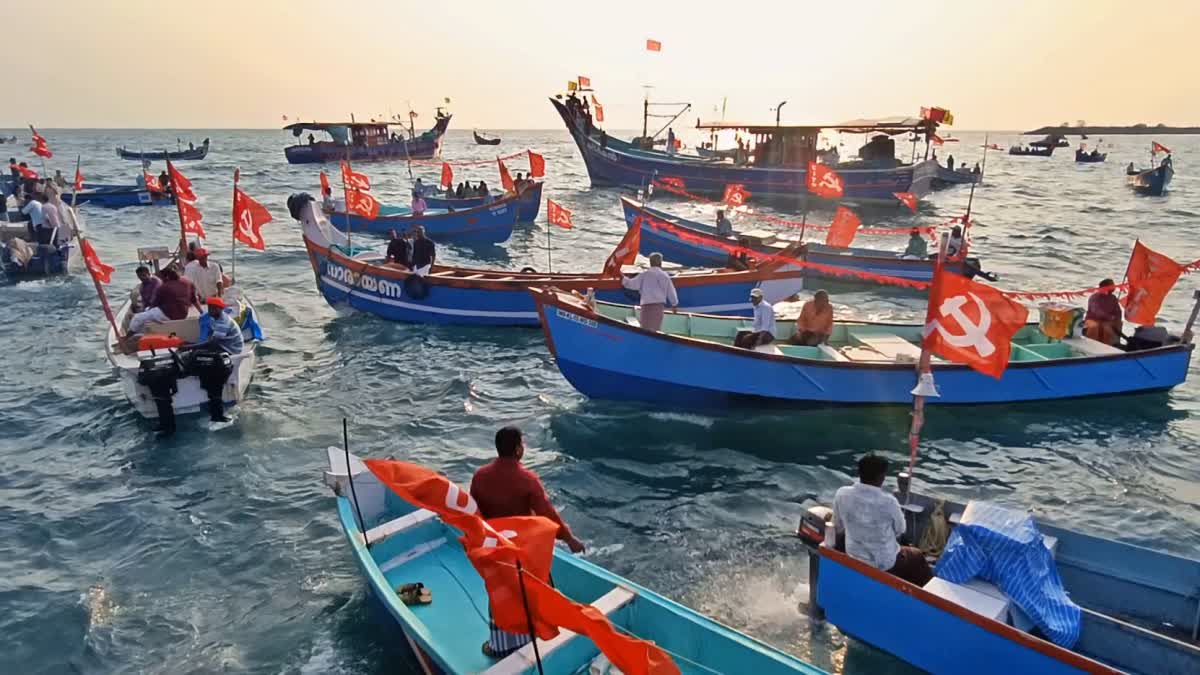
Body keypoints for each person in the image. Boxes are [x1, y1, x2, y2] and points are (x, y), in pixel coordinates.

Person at [471, 425, 586, 658]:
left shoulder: (480, 476)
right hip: (524, 551)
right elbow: (548, 515)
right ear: (517, 450)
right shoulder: (527, 479)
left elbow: (473, 513)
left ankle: (500, 646)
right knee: (532, 594)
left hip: (495, 549)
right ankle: (538, 641)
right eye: (522, 444)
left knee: (500, 593)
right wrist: (569, 538)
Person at [833, 454, 933, 586]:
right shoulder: (889, 501)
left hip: (853, 555)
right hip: (884, 563)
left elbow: (838, 525)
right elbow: (901, 529)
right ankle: (926, 594)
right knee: (916, 555)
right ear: (881, 477)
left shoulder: (842, 493)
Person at [193, 296, 244, 423]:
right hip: (222, 345)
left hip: (231, 349)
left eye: (213, 308)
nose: (210, 310)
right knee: (197, 355)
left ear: (220, 309)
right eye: (209, 307)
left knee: (198, 357)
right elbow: (210, 336)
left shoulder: (223, 322)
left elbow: (212, 343)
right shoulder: (213, 318)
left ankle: (216, 408)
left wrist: (188, 347)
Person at [128, 267, 201, 333]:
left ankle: (128, 336)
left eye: (162, 278)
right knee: (148, 314)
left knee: (137, 318)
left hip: (169, 315)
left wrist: (146, 311)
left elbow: (155, 304)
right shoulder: (187, 281)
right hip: (183, 314)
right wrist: (201, 312)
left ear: (167, 277)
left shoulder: (164, 287)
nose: (161, 280)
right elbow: (194, 299)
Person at [621, 252, 678, 332]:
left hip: (646, 306)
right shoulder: (664, 276)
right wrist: (674, 304)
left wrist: (623, 277)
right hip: (658, 307)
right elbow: (671, 291)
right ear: (660, 263)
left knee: (645, 329)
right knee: (655, 330)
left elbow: (632, 284)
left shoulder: (644, 275)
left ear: (650, 262)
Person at [1084, 278, 1123, 346]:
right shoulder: (1095, 297)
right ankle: (1091, 346)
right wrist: (1110, 318)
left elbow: (1118, 311)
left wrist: (1116, 320)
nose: (1114, 287)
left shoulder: (1113, 298)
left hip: (1106, 320)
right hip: (1092, 319)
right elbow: (1096, 311)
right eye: (1112, 285)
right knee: (1094, 327)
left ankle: (1107, 347)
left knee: (1108, 329)